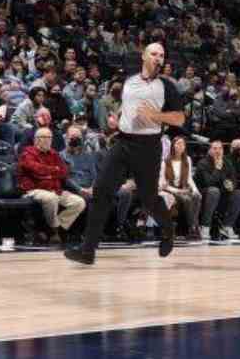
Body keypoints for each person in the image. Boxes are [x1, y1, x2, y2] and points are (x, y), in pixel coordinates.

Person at [66, 43, 186, 266]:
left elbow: (179, 119)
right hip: (123, 142)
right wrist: (118, 118)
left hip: (149, 146)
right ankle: (88, 250)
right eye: (154, 54)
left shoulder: (167, 86)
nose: (158, 58)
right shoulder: (130, 79)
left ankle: (168, 231)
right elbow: (127, 104)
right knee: (101, 191)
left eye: (162, 55)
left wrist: (155, 115)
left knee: (149, 198)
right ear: (144, 56)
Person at [18, 127, 86, 245]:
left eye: (50, 137)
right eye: (45, 137)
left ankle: (54, 229)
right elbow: (35, 169)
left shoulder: (54, 154)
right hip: (34, 189)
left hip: (55, 189)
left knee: (79, 202)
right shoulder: (27, 152)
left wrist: (49, 173)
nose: (48, 140)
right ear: (37, 139)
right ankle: (54, 231)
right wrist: (53, 170)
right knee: (51, 198)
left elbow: (64, 172)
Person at [197, 140, 240, 240]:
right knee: (214, 191)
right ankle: (205, 227)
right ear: (209, 150)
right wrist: (218, 169)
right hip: (206, 194)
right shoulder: (203, 163)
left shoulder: (227, 162)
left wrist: (232, 186)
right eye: (215, 148)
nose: (218, 151)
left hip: (223, 193)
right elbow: (208, 182)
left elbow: (233, 179)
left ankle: (227, 226)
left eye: (220, 148)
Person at [158, 135, 202, 240]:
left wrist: (196, 190)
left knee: (197, 197)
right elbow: (163, 183)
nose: (181, 146)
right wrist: (179, 191)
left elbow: (189, 178)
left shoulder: (187, 159)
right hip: (170, 190)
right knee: (186, 199)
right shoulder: (165, 161)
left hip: (183, 188)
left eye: (183, 144)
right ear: (173, 146)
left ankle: (193, 226)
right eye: (178, 144)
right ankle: (193, 227)